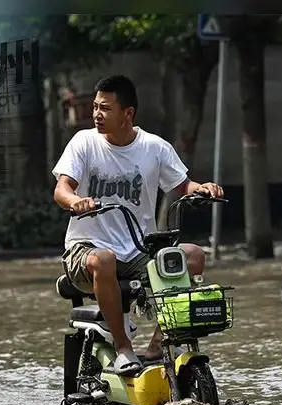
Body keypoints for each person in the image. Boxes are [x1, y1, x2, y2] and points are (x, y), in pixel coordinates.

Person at [51, 74, 224, 375]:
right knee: (103, 259)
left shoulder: (154, 148)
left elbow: (183, 186)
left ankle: (158, 343)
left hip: (136, 250)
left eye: (105, 108)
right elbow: (62, 188)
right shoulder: (84, 142)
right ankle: (122, 348)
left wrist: (204, 189)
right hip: (86, 249)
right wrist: (74, 201)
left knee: (193, 255)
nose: (96, 115)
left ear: (128, 113)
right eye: (95, 107)